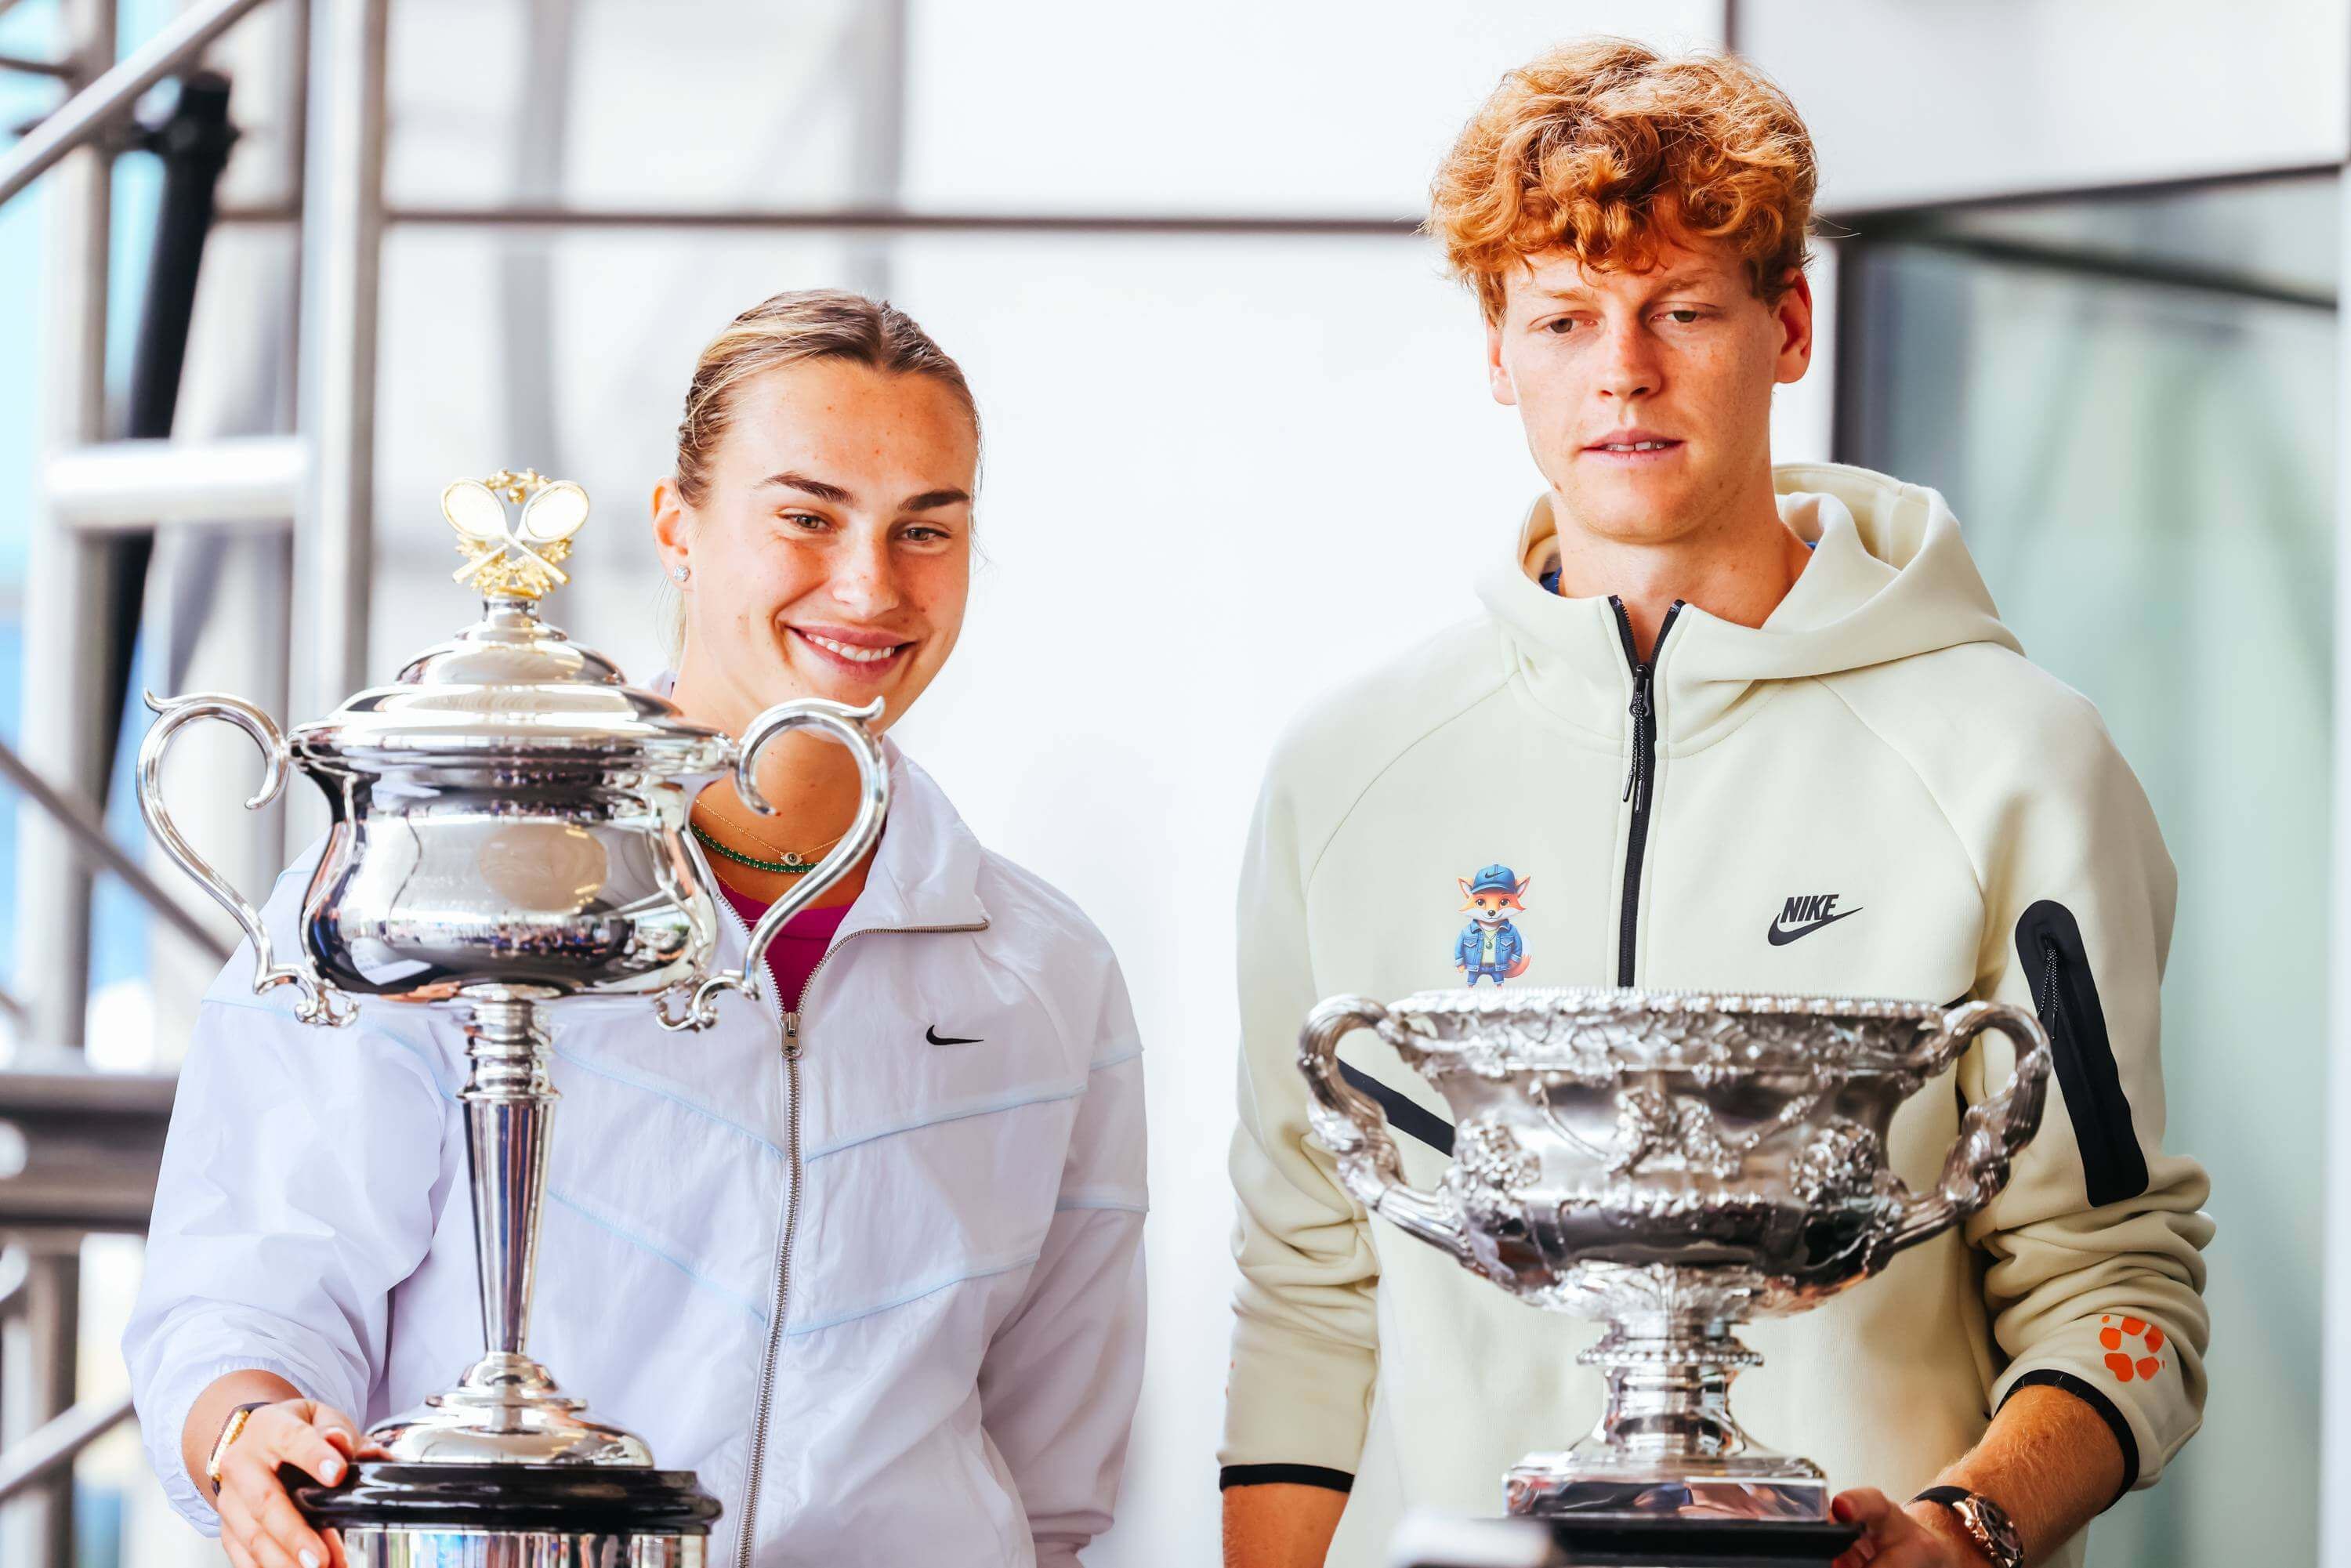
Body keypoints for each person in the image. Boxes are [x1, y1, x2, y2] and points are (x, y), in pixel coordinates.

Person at [1219, 41, 2211, 1568]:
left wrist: (1967, 1525)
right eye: (1564, 318)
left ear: (1788, 322)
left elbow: (2120, 1281)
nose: (1623, 368)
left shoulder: (2020, 757)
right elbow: (1306, 1283)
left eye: (1682, 308)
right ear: (1499, 348)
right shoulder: (1347, 771)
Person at [125, 289, 1148, 1568]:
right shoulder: (432, 887)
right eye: (807, 515)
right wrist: (249, 1430)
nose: (869, 584)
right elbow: (240, 1299)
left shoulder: (1046, 971)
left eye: (925, 529)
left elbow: (1052, 1473)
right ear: (679, 525)